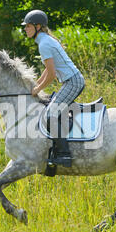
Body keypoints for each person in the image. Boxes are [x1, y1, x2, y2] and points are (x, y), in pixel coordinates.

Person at [22, 10, 85, 167]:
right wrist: (37, 84)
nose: (25, 29)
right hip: (70, 82)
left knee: (50, 115)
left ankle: (64, 155)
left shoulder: (44, 44)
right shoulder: (45, 41)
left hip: (73, 82)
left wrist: (37, 89)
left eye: (28, 26)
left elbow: (51, 74)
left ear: (37, 27)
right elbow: (48, 69)